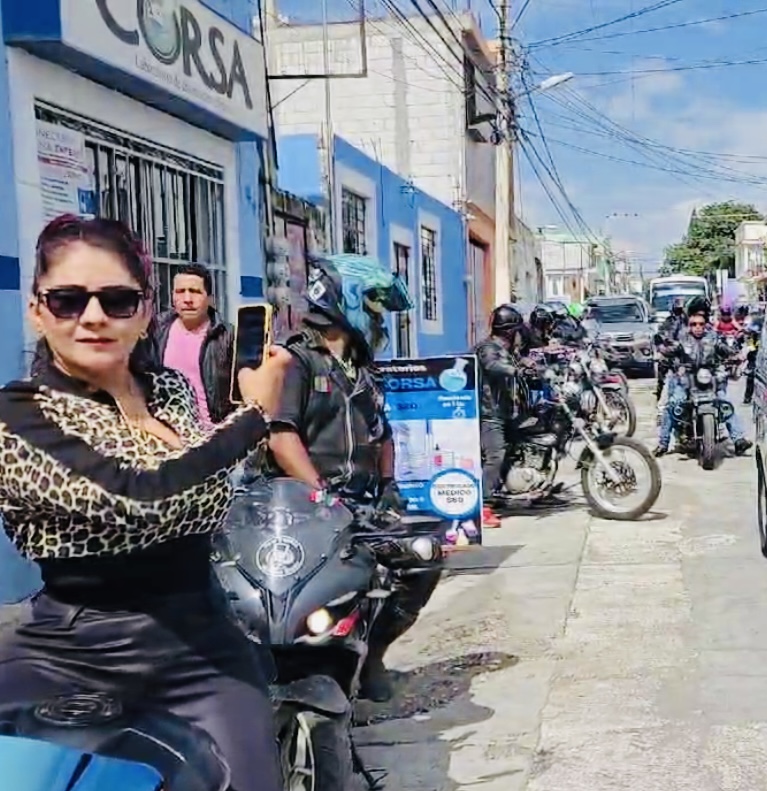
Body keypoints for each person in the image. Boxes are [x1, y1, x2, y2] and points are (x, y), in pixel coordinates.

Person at [0, 214, 290, 791]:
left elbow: (197, 492)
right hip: (68, 646)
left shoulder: (170, 390)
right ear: (37, 309)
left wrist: (210, 455)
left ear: (143, 311)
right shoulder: (20, 415)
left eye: (116, 299)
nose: (93, 317)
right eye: (66, 300)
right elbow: (139, 498)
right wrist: (252, 419)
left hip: (200, 644)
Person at [259, 254, 439, 704]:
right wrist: (321, 495)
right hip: (305, 504)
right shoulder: (295, 360)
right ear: (347, 299)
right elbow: (281, 439)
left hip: (362, 501)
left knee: (423, 555)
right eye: (374, 304)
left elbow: (382, 433)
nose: (379, 317)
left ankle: (373, 653)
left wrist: (389, 485)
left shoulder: (360, 365)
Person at [655, 298, 752, 457]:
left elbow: (724, 348)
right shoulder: (682, 336)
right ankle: (663, 443)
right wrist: (663, 351)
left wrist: (736, 355)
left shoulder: (713, 337)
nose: (698, 327)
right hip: (687, 379)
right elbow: (671, 349)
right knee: (672, 405)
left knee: (725, 402)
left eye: (701, 322)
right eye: (694, 323)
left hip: (709, 378)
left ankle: (738, 439)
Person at [150, 263, 234, 428]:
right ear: (173, 296)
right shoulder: (155, 330)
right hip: (167, 435)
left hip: (211, 436)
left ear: (210, 299)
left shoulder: (227, 336)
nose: (187, 299)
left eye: (195, 292)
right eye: (180, 292)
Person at [474, 305, 532, 528]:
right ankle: (484, 507)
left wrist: (527, 363)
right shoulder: (488, 348)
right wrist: (515, 370)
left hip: (504, 410)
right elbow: (492, 365)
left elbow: (513, 362)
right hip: (489, 412)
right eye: (517, 329)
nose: (520, 334)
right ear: (509, 330)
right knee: (495, 456)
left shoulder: (506, 349)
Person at [653, 298, 687, 404]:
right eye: (677, 310)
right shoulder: (668, 322)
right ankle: (659, 395)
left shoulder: (691, 322)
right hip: (671, 353)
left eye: (680, 310)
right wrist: (662, 346)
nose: (678, 313)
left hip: (687, 352)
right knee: (662, 369)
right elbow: (660, 335)